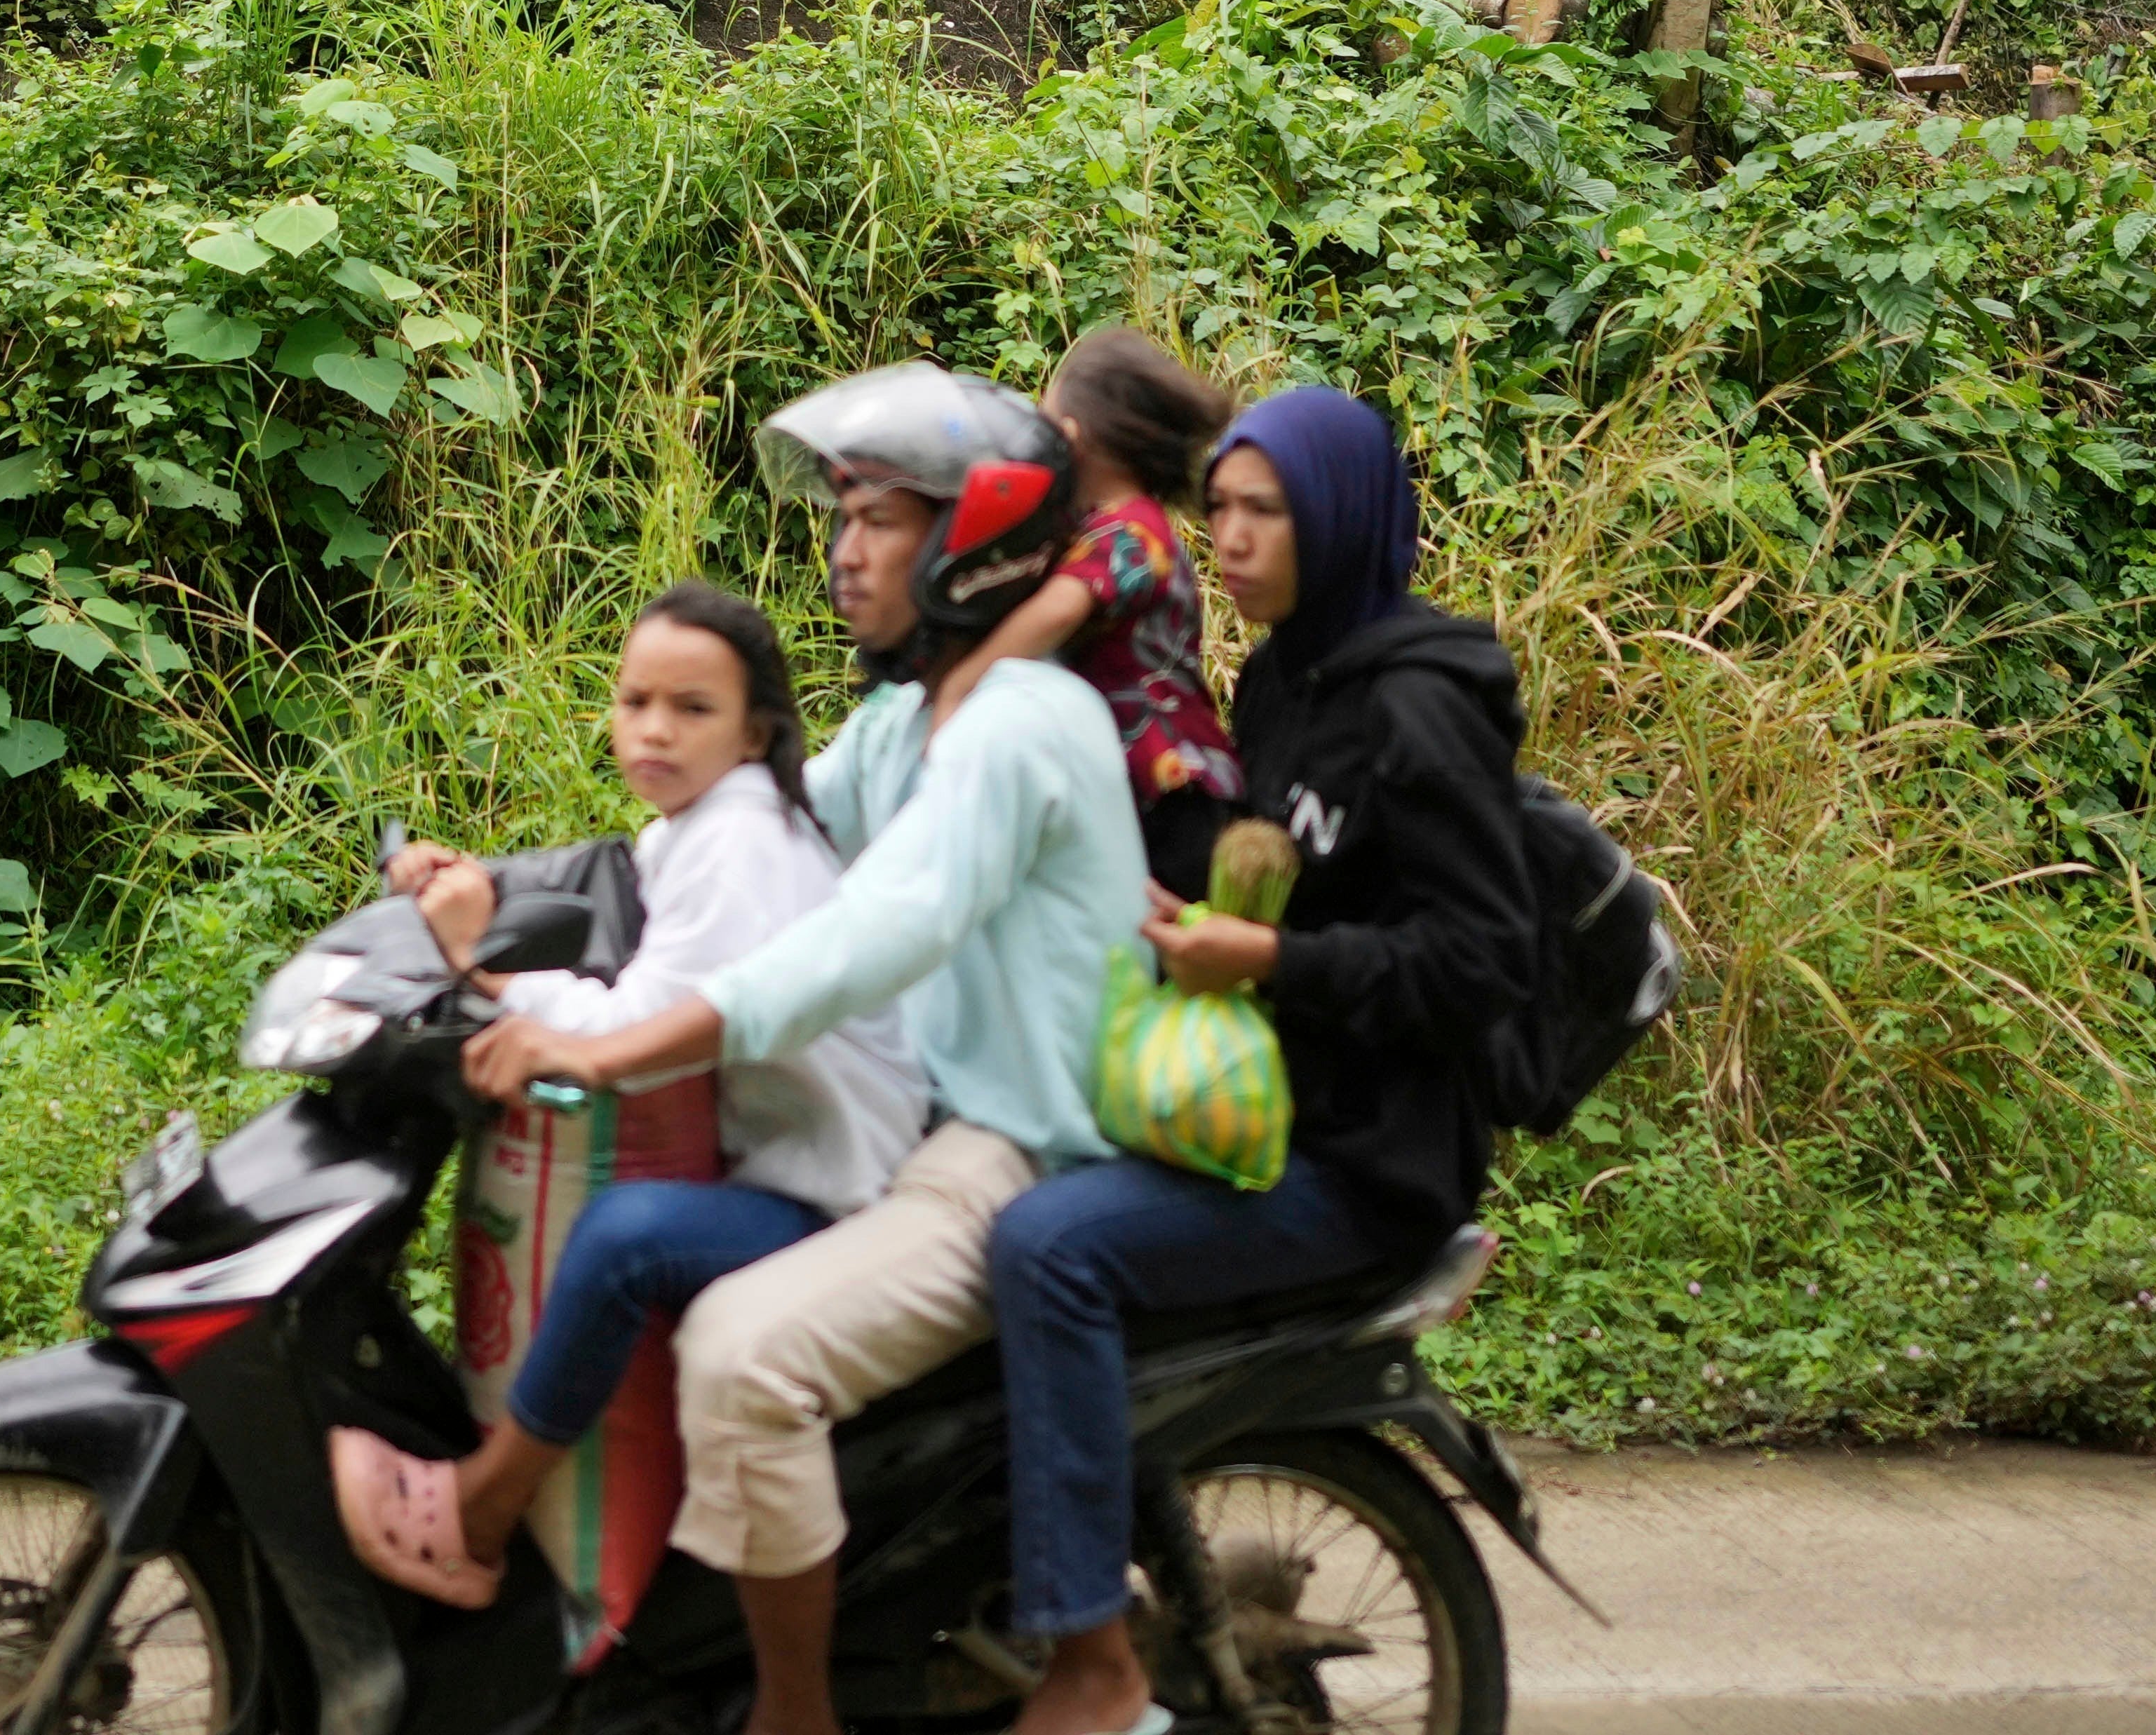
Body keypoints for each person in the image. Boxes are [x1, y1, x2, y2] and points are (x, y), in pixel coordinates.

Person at [450, 365, 1147, 1735]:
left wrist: (623, 1045)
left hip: (1015, 1157)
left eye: (879, 519)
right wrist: (487, 886)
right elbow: (737, 821)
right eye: (840, 518)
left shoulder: (1018, 724)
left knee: (745, 1352)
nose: (845, 550)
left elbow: (873, 935)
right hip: (942, 1142)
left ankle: (791, 1712)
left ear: (972, 540)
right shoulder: (904, 724)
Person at [977, 384, 1544, 1735]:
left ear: (1337, 520)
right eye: (1220, 507)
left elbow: (1482, 959)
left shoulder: (1421, 704)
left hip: (1363, 1157)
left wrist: (1272, 960)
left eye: (1265, 512)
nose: (1227, 538)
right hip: (1269, 1104)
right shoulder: (1282, 676)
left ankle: (1084, 1653)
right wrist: (1187, 919)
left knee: (1048, 1250)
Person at [330, 583, 927, 1606]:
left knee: (624, 1238)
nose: (653, 729)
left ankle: (485, 1510)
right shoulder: (697, 826)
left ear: (753, 733)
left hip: (835, 1190)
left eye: (691, 708)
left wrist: (480, 971)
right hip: (786, 1158)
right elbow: (614, 924)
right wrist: (473, 888)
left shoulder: (740, 841)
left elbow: (642, 1032)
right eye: (633, 700)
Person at [927, 325, 1244, 899]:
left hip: (1173, 788)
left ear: (1071, 439)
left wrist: (958, 687)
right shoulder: (1095, 527)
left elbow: (1056, 611)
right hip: (1140, 787)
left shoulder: (1132, 530)